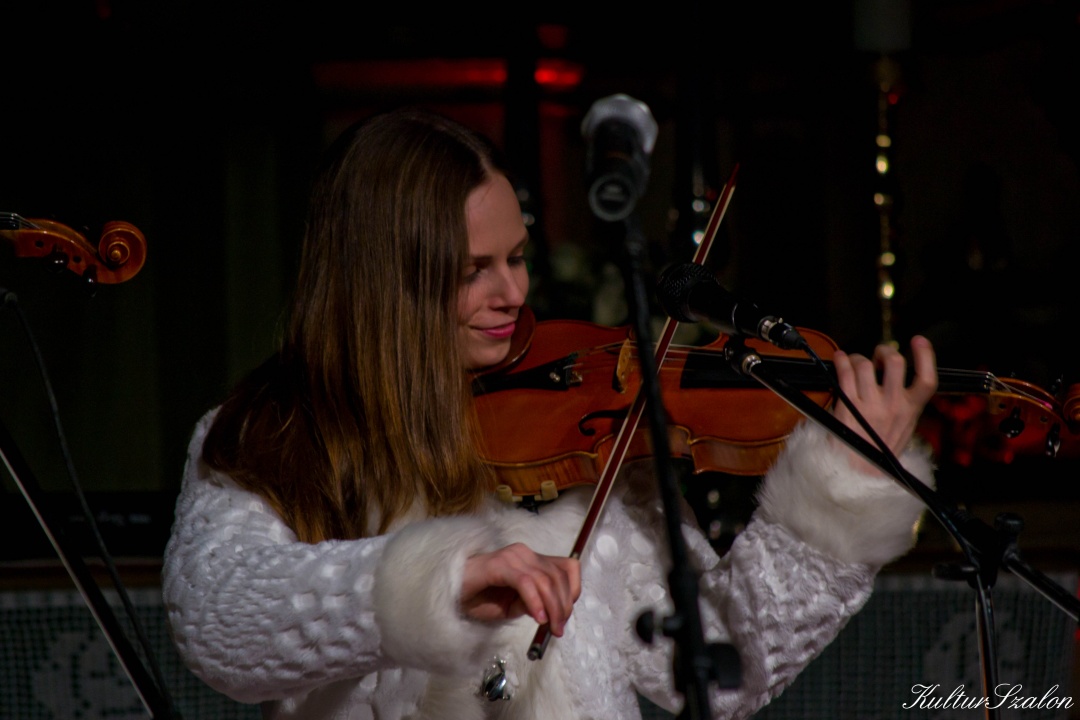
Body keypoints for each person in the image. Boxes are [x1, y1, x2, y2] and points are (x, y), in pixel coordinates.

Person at [161, 107, 939, 720]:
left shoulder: (578, 449)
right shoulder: (272, 435)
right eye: (474, 269)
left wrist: (838, 496)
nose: (513, 293)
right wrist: (434, 583)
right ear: (385, 283)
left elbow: (725, 666)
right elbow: (219, 619)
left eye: (517, 257)